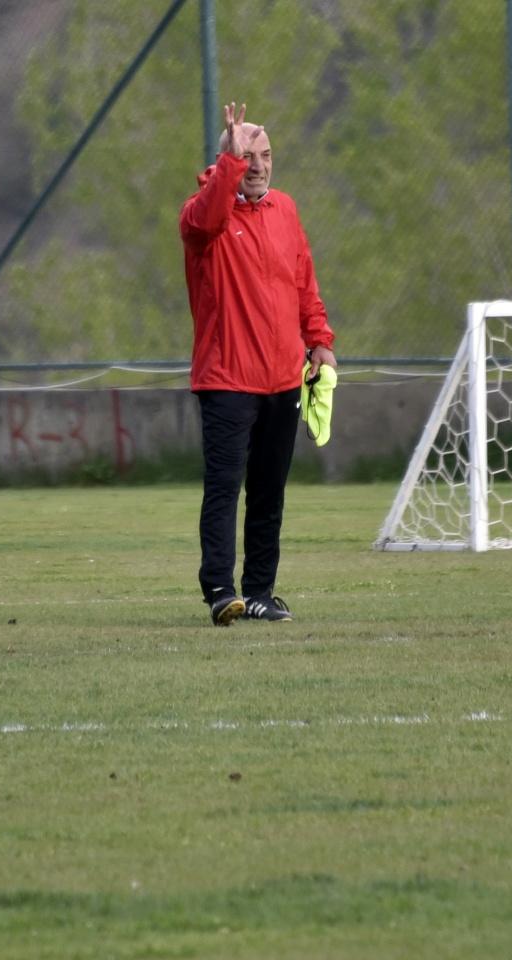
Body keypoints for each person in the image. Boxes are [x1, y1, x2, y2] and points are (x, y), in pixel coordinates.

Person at [180, 102, 337, 625]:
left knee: (269, 491)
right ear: (227, 161)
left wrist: (319, 340)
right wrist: (229, 162)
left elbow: (303, 282)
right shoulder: (201, 217)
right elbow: (210, 216)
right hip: (227, 378)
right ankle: (222, 592)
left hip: (282, 378)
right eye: (247, 157)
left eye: (265, 155)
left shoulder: (286, 210)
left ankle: (262, 592)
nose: (259, 165)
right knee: (225, 487)